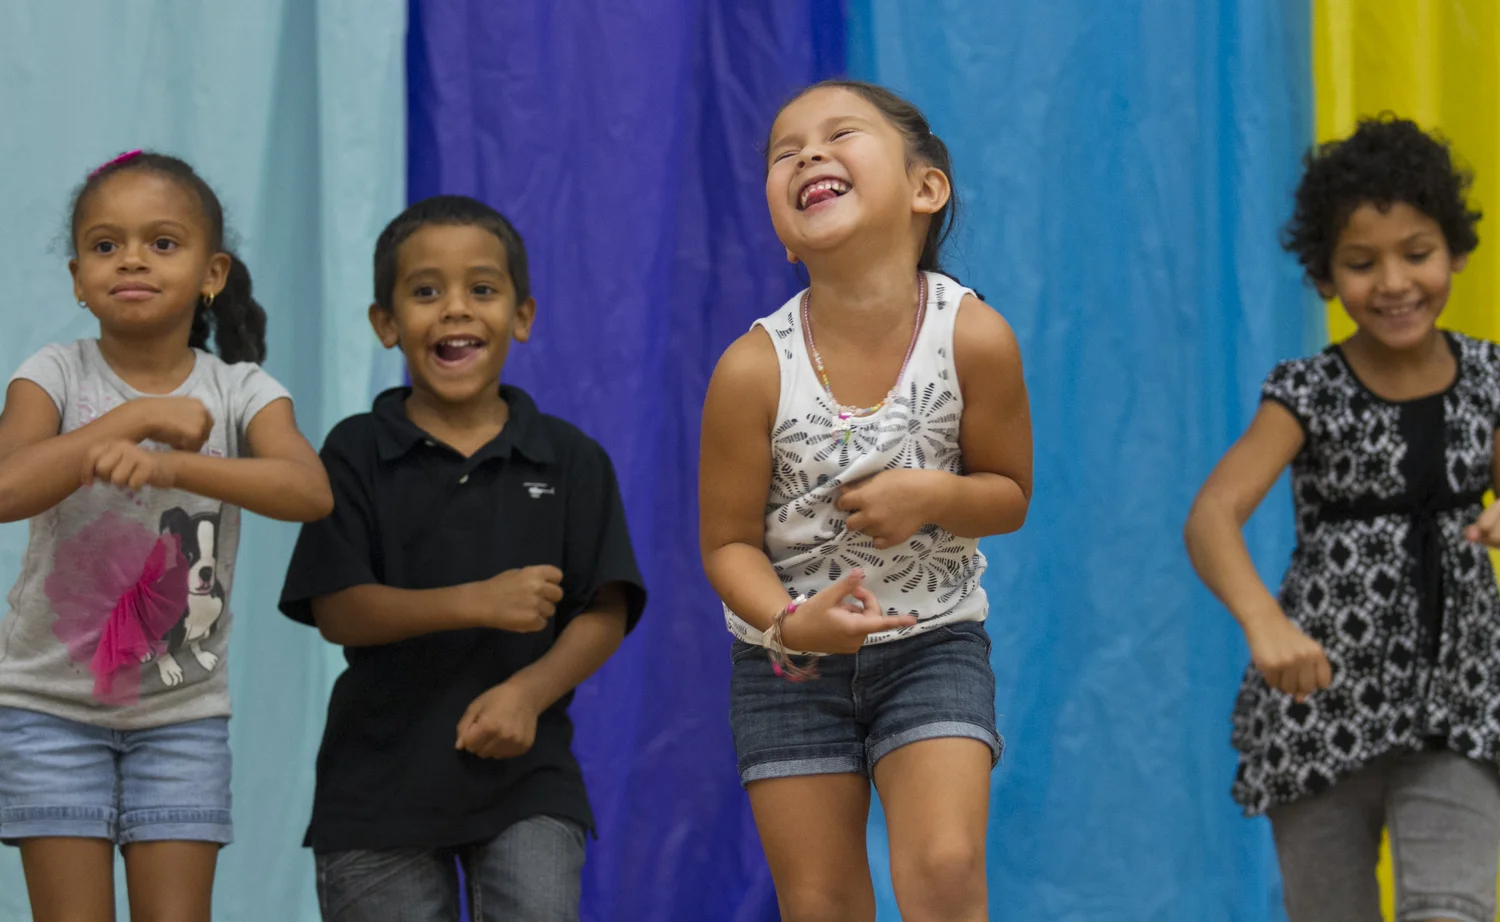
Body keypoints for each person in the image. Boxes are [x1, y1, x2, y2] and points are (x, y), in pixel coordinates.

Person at [698, 80, 1032, 922]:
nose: (809, 153)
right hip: (787, 667)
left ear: (926, 190)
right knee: (820, 903)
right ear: (783, 233)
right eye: (785, 151)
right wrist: (787, 623)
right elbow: (728, 545)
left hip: (933, 642)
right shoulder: (750, 369)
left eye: (841, 134)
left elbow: (1009, 494)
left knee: (947, 867)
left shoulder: (974, 337)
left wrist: (931, 495)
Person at [279, 195, 646, 922]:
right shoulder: (355, 451)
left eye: (481, 289)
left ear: (522, 315)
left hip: (527, 778)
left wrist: (528, 694)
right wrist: (476, 601)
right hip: (376, 786)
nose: (454, 310)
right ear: (385, 324)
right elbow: (339, 609)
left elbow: (605, 607)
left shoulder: (571, 459)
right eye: (425, 292)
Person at [0, 150, 332, 922]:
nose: (132, 260)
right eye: (106, 245)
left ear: (212, 273)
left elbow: (308, 491)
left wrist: (173, 467)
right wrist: (136, 420)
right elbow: (7, 487)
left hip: (182, 719)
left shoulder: (241, 389)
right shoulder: (53, 373)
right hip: (47, 710)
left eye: (163, 242)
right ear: (78, 278)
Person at [1185, 116, 1500, 922]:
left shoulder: (1489, 377)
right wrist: (1266, 626)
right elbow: (1214, 516)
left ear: (1456, 251)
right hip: (1321, 703)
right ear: (1327, 277)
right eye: (1362, 263)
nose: (1393, 282)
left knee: (1450, 908)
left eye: (1416, 253)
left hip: (1460, 700)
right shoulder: (1308, 392)